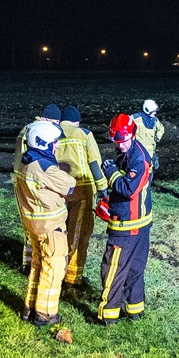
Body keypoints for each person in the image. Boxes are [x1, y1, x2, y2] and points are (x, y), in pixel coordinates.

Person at [15, 120, 75, 326]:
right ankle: (46, 313)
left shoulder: (26, 161)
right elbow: (69, 186)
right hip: (51, 227)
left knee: (38, 266)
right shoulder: (44, 168)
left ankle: (29, 307)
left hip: (34, 225)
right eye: (54, 143)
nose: (57, 146)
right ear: (43, 144)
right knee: (54, 269)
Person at [97, 113, 152, 325]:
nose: (120, 146)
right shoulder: (128, 151)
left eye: (123, 141)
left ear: (133, 136)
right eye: (116, 142)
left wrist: (110, 172)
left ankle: (108, 315)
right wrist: (110, 200)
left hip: (127, 227)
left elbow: (128, 189)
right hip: (138, 224)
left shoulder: (139, 159)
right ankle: (134, 310)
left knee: (113, 270)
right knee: (135, 270)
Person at [56, 105, 108, 290]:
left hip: (59, 190)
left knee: (59, 232)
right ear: (76, 121)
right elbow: (94, 163)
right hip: (81, 190)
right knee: (79, 233)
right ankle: (72, 277)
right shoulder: (84, 134)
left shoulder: (52, 132)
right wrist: (103, 188)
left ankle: (55, 271)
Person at [13, 104, 62, 272]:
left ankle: (30, 261)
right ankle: (31, 262)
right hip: (31, 180)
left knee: (30, 222)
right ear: (47, 119)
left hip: (22, 178)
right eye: (55, 122)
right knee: (34, 222)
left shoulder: (29, 129)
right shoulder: (37, 133)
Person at [131, 99, 164, 171]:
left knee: (148, 172)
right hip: (137, 152)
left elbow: (161, 129)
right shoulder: (135, 118)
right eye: (153, 111)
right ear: (147, 110)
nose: (155, 113)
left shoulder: (155, 120)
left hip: (150, 153)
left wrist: (157, 137)